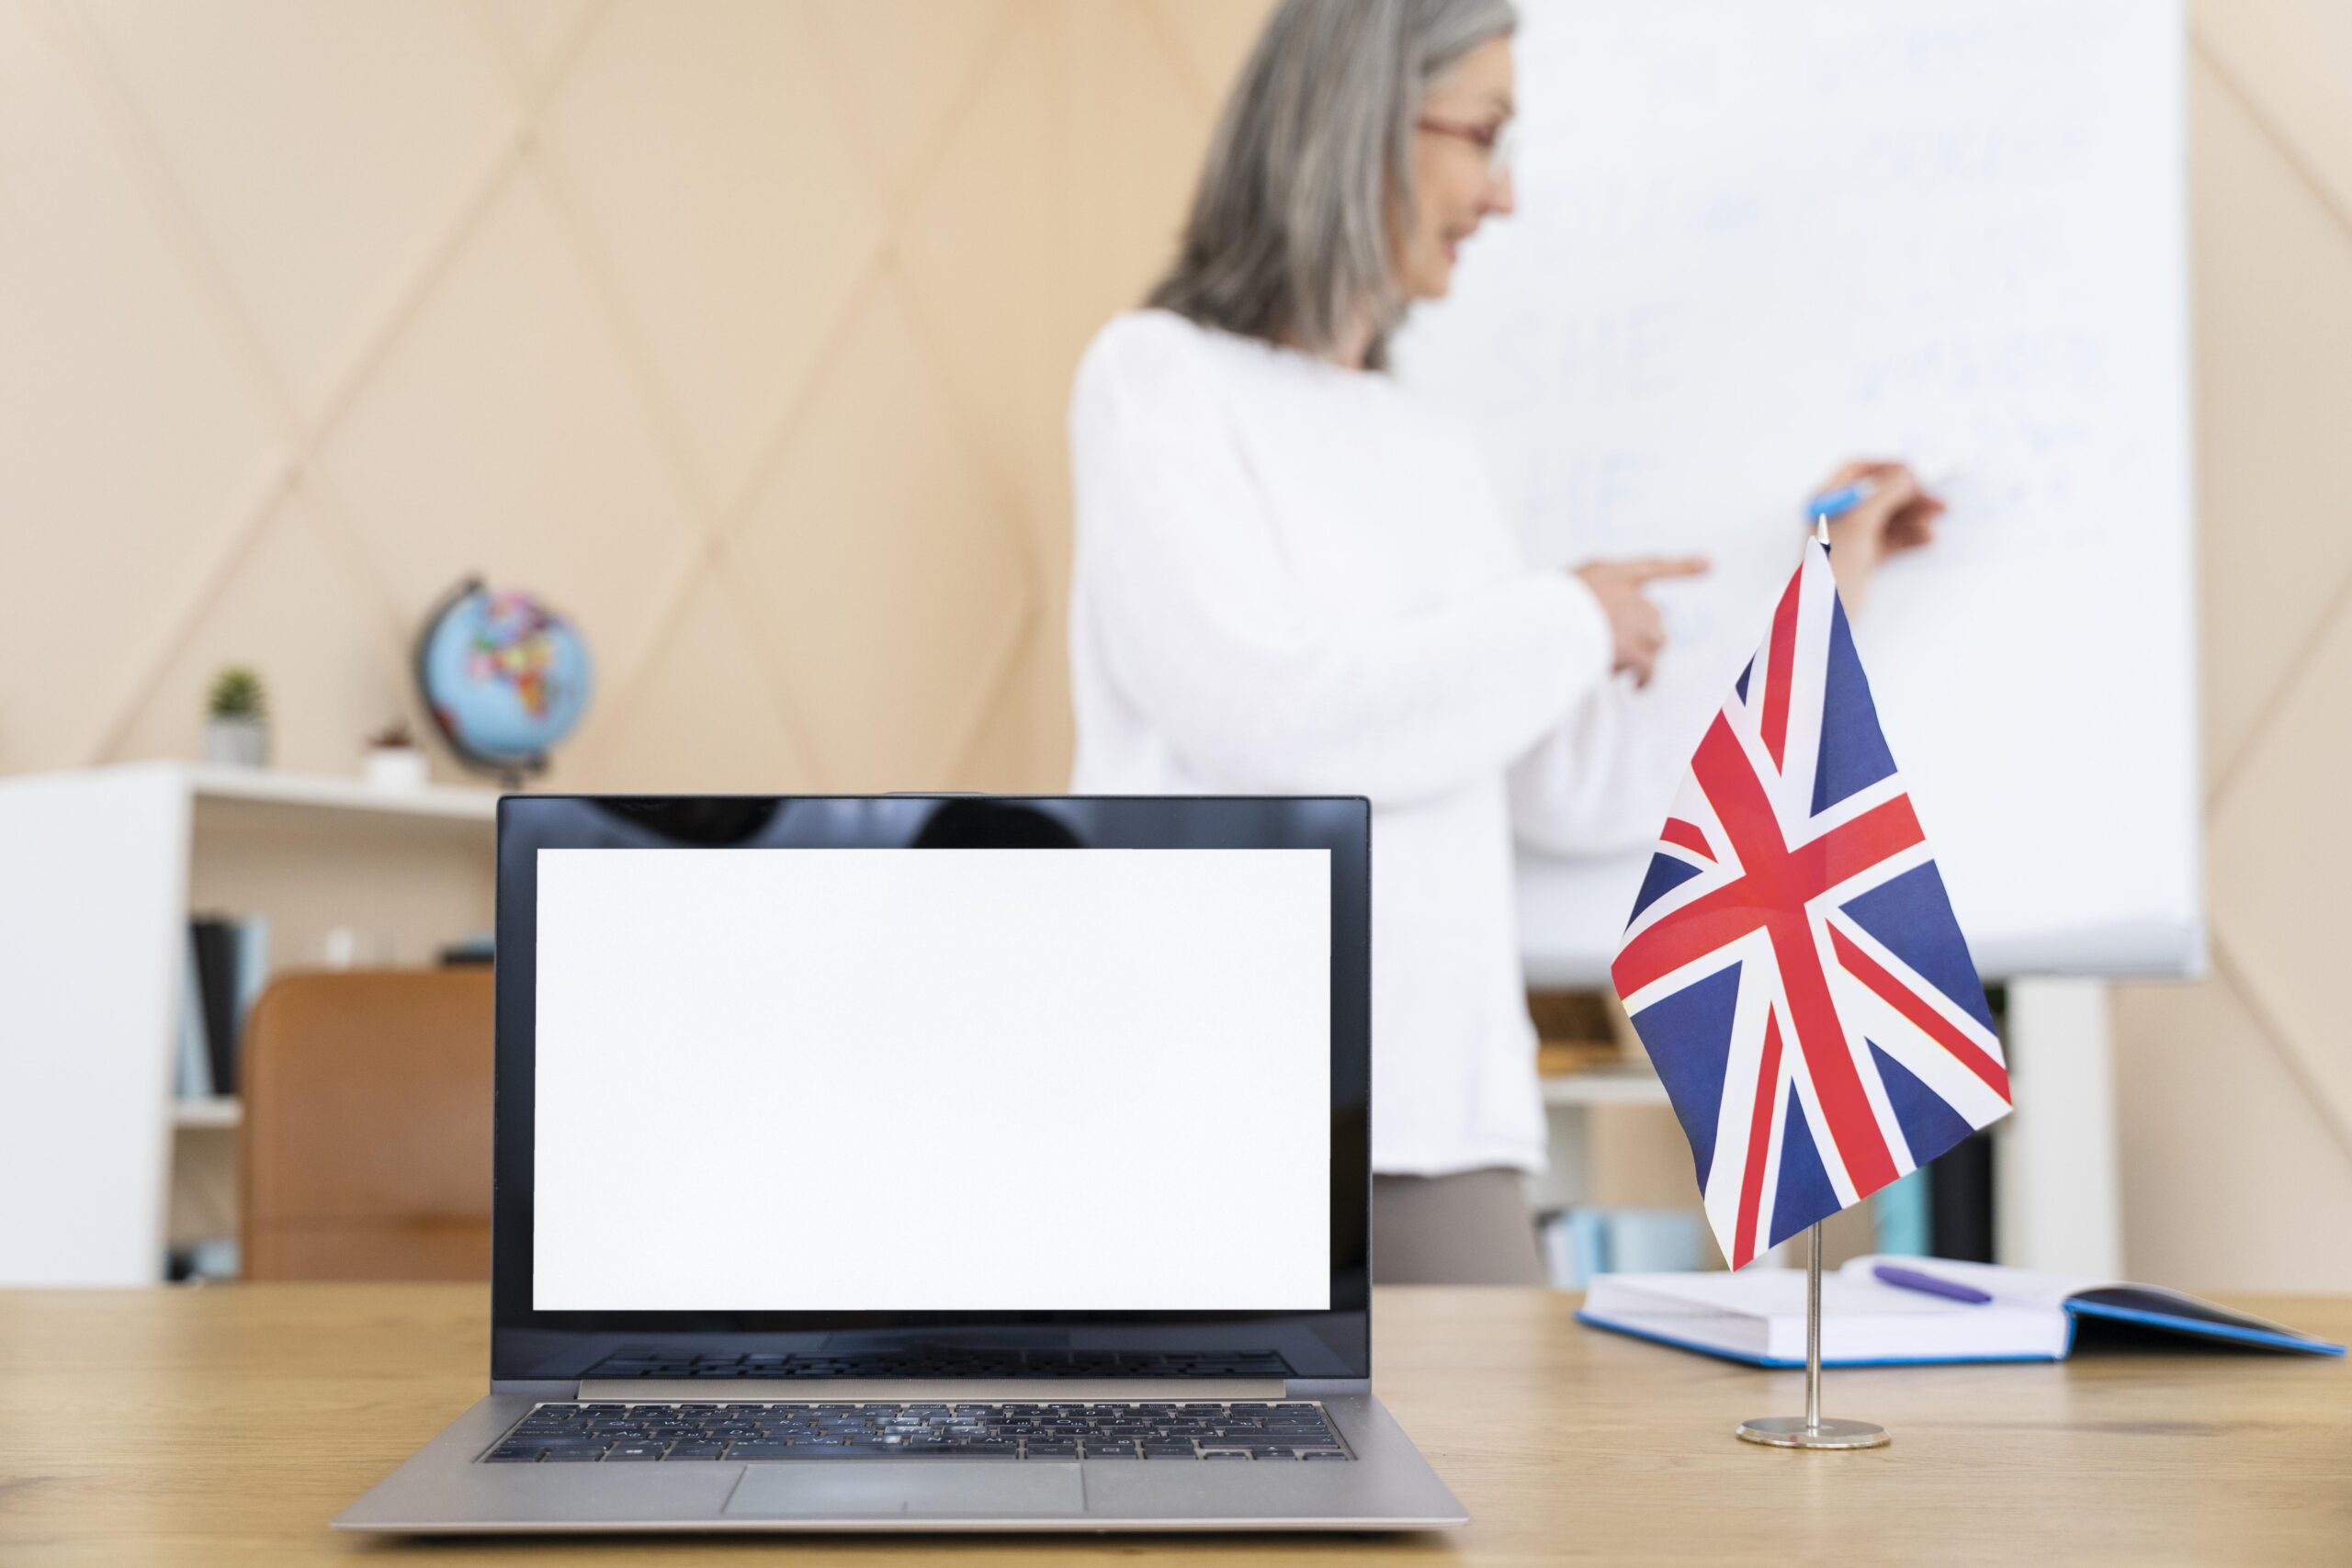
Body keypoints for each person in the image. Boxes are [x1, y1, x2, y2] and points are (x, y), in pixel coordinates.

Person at [1065, 0, 1941, 1283]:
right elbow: (1261, 719)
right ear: (1359, 125)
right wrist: (1571, 615)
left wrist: (1825, 595)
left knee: (1503, 1485)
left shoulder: (1433, 446)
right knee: (1208, 1481)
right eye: (1484, 135)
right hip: (1215, 1119)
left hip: (1447, 1124)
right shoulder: (1157, 379)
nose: (1505, 192)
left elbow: (1575, 776)